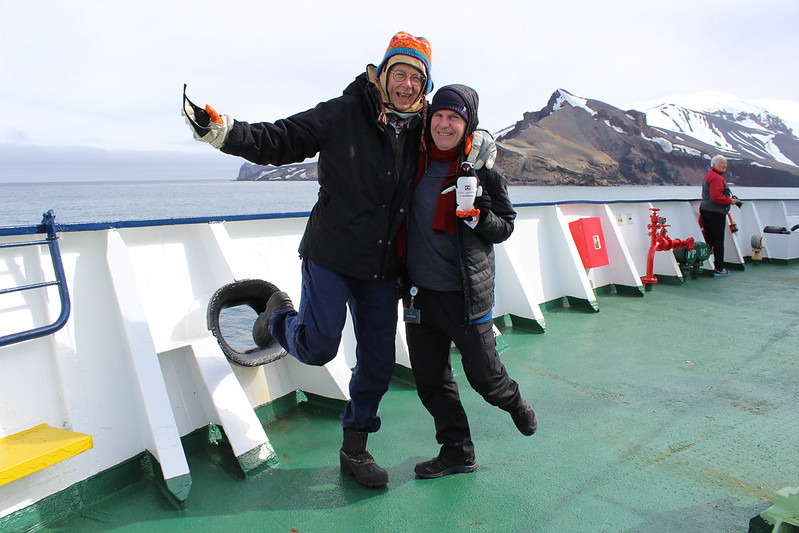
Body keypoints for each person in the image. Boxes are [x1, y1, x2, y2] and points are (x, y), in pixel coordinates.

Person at [182, 32, 494, 489]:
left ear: (424, 86)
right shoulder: (343, 112)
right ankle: (276, 317)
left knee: (378, 362)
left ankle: (355, 450)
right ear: (382, 73)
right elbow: (281, 139)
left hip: (383, 268)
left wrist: (482, 136)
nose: (406, 84)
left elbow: (458, 127)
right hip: (331, 253)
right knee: (319, 346)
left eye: (416, 77)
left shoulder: (426, 125)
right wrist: (223, 131)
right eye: (399, 73)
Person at [401, 85, 537, 479]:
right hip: (418, 294)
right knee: (430, 380)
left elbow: (505, 226)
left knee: (486, 379)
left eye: (455, 118)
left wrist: (476, 217)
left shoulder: (481, 168)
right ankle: (457, 452)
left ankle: (513, 402)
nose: (445, 124)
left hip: (465, 295)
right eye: (439, 115)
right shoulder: (415, 160)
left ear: (468, 125)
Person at [699, 154, 741, 277]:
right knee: (718, 240)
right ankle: (719, 268)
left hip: (706, 210)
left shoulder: (710, 175)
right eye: (721, 163)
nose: (724, 165)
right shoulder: (716, 178)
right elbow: (716, 197)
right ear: (714, 165)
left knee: (710, 239)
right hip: (715, 212)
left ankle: (705, 264)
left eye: (725, 163)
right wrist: (731, 201)